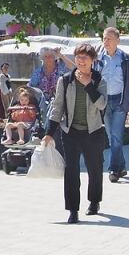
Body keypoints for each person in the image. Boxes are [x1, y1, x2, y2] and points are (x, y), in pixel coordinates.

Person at [42, 43, 107, 224]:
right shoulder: (65, 80)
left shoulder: (99, 80)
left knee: (95, 170)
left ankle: (94, 202)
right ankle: (72, 210)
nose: (81, 61)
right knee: (71, 170)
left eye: (85, 58)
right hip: (70, 132)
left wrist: (88, 86)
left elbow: (102, 104)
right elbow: (57, 108)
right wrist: (49, 133)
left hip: (93, 132)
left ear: (92, 61)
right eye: (78, 57)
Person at [95, 26, 129, 183]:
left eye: (109, 38)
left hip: (120, 101)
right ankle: (122, 167)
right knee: (111, 138)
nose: (106, 41)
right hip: (104, 101)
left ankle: (113, 169)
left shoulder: (126, 59)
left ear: (117, 41)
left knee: (116, 135)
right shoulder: (98, 59)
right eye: (104, 38)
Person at [29, 47, 68, 120]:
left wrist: (60, 55)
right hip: (42, 103)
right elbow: (31, 86)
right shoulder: (38, 72)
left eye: (50, 56)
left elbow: (74, 69)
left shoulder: (62, 69)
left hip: (60, 101)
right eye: (45, 56)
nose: (48, 58)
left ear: (55, 57)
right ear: (42, 58)